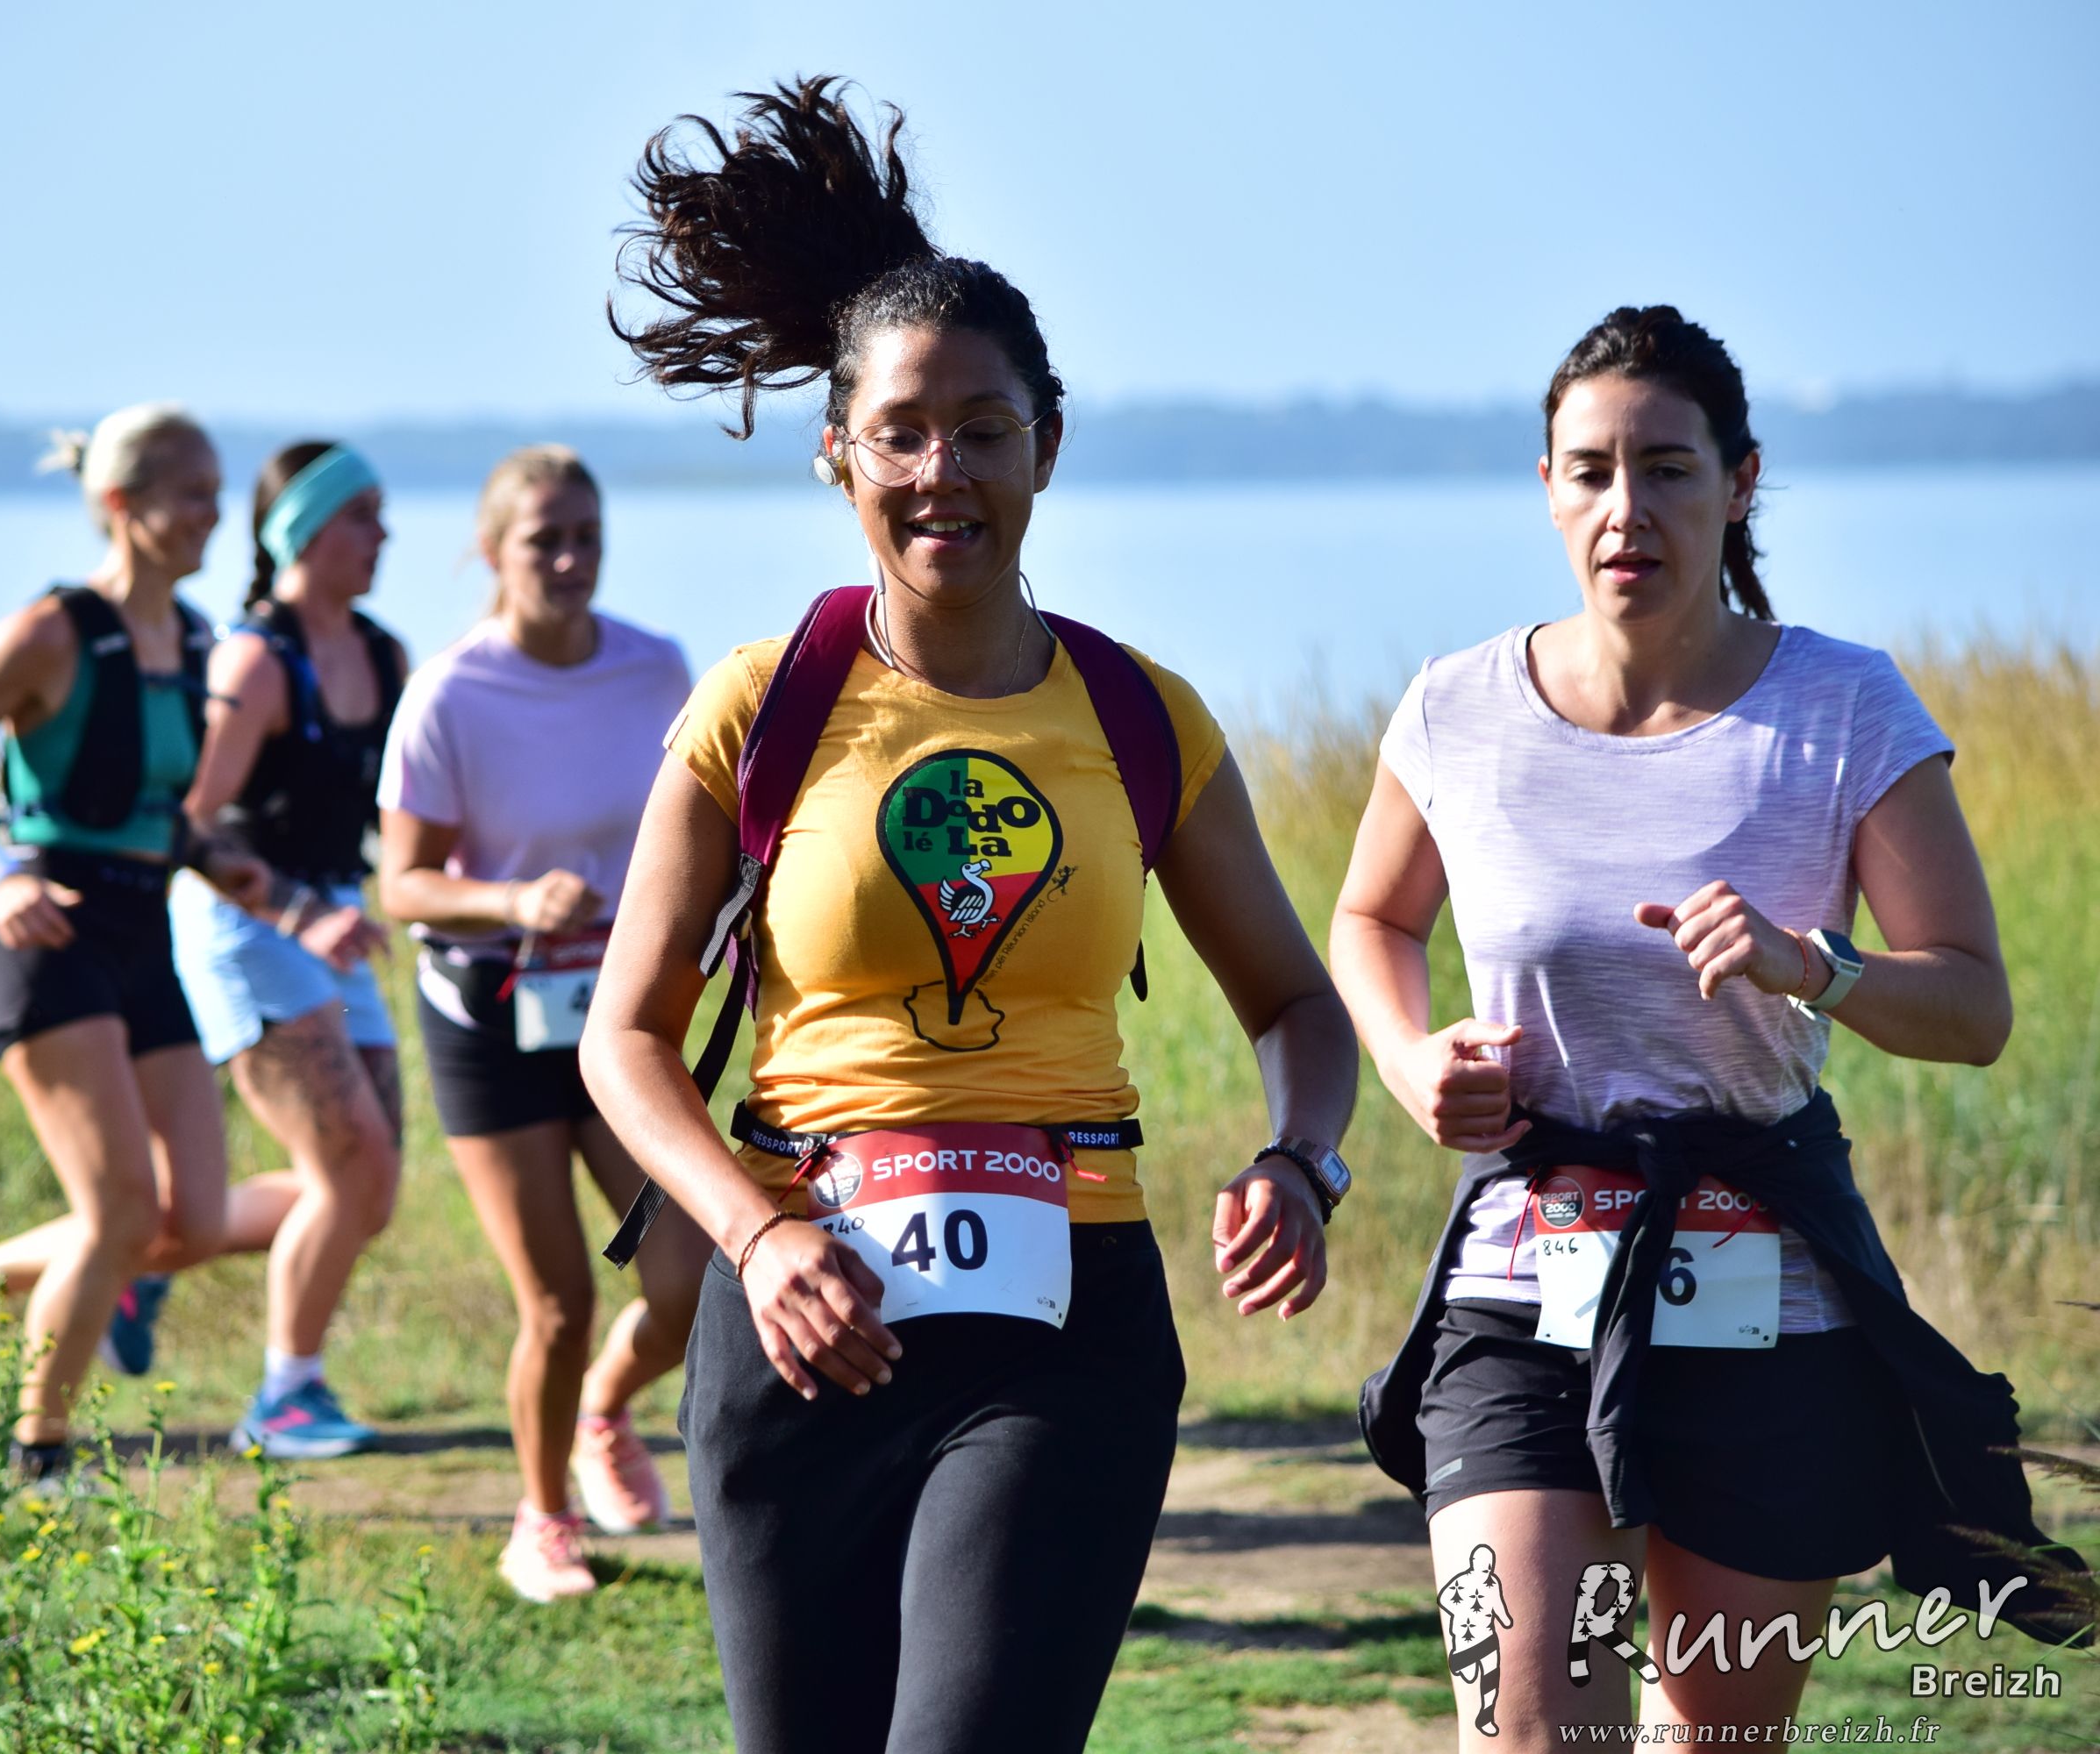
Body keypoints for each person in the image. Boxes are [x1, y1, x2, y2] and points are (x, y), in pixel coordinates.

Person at [579, 79, 1361, 1753]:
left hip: (1062, 1329)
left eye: (984, 430)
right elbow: (623, 1039)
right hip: (795, 1316)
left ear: (1046, 447)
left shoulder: (1142, 716)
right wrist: (756, 1240)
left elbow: (1298, 1003)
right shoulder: (758, 707)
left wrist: (1300, 1161)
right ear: (837, 454)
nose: (944, 471)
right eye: (903, 432)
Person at [1335, 306, 2086, 1750]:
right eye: (1591, 471)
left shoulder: (1842, 704)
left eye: (1668, 469)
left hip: (1765, 1293)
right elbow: (1370, 920)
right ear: (1548, 488)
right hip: (1523, 1286)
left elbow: (1973, 1005)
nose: (1627, 508)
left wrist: (1816, 968)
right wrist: (1411, 1058)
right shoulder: (1455, 709)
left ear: (1738, 483)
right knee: (1529, 1729)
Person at [0, 402, 267, 1481]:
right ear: (121, 503)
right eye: (192, 494)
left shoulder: (194, 638)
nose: (213, 514)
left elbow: (145, 805)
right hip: (44, 938)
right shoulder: (52, 631)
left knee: (190, 1220)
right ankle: (39, 1451)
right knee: (120, 1211)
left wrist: (213, 857)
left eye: (218, 493)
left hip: (145, 935)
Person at [375, 443, 709, 1601]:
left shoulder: (655, 667)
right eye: (543, 541)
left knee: (691, 1276)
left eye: (586, 538)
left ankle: (604, 1414)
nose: (569, 560)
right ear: (490, 551)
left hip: (622, 1014)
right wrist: (515, 900)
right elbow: (402, 885)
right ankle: (543, 1523)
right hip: (491, 1017)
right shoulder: (449, 693)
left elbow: (696, 825)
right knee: (559, 1302)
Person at [155, 438, 408, 1458]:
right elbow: (186, 823)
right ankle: (284, 1395)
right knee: (350, 1165)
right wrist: (299, 909)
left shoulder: (384, 654)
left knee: (366, 1185)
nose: (384, 534)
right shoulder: (254, 661)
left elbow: (395, 813)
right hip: (246, 925)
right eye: (361, 516)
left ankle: (130, 1259)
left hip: (335, 921)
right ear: (301, 532)